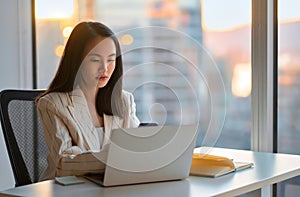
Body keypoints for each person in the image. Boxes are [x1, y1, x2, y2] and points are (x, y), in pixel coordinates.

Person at [36, 21, 140, 180]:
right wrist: (111, 159)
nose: (105, 68)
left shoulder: (124, 100)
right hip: (69, 190)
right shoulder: (53, 104)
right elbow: (64, 162)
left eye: (111, 60)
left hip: (114, 187)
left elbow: (135, 148)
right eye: (95, 60)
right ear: (77, 60)